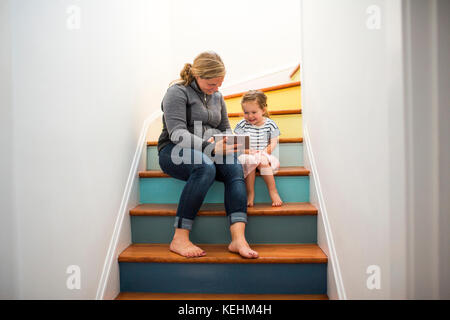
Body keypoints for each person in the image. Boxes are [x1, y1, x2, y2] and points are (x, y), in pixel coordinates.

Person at [157, 51, 258, 259]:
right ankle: (179, 237)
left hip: (210, 148)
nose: (216, 89)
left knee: (234, 167)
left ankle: (238, 239)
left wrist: (233, 143)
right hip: (173, 150)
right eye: (212, 84)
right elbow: (177, 133)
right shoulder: (177, 92)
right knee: (204, 166)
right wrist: (210, 148)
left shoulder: (217, 97)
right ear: (198, 76)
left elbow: (224, 128)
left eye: (219, 84)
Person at [234, 90, 283, 207]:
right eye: (246, 112)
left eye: (254, 112)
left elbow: (273, 142)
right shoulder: (242, 124)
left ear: (263, 110)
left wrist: (264, 152)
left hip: (263, 155)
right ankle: (250, 193)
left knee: (263, 161)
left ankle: (273, 191)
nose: (250, 116)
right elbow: (238, 143)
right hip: (248, 155)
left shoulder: (270, 124)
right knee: (250, 161)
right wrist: (248, 151)